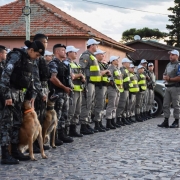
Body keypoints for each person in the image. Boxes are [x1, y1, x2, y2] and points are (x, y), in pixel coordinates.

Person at [0, 40, 45, 165]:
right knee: (6, 125)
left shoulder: (29, 60)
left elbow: (31, 78)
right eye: (36, 55)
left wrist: (33, 94)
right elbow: (5, 76)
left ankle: (15, 151)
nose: (37, 58)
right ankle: (4, 154)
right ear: (31, 50)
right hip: (9, 95)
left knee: (16, 124)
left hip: (20, 96)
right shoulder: (16, 56)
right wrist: (7, 95)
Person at [48, 44, 74, 143]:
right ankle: (54, 137)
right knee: (56, 116)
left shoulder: (64, 64)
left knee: (64, 115)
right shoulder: (53, 63)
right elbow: (53, 78)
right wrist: (64, 87)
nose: (65, 52)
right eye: (63, 50)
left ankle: (62, 134)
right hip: (57, 93)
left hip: (64, 92)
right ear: (57, 52)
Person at [79, 38, 102, 135]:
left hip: (93, 83)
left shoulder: (92, 56)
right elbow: (81, 68)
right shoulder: (86, 55)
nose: (97, 47)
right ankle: (83, 126)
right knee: (87, 104)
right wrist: (83, 80)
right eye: (96, 45)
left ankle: (87, 123)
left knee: (90, 104)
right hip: (88, 83)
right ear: (91, 45)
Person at [64, 46, 84, 137]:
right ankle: (66, 131)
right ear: (68, 53)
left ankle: (73, 130)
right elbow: (71, 76)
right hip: (72, 90)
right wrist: (80, 75)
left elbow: (80, 76)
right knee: (71, 111)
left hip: (79, 89)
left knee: (77, 111)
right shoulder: (66, 63)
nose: (76, 53)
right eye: (74, 52)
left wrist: (81, 77)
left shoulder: (75, 63)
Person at [158, 50, 180, 128]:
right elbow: (165, 73)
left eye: (173, 55)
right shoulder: (168, 64)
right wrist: (164, 77)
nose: (170, 56)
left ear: (177, 56)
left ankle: (176, 121)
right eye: (170, 55)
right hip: (168, 87)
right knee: (165, 104)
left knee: (175, 105)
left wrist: (169, 79)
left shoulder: (178, 65)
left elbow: (179, 77)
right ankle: (166, 121)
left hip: (175, 87)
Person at [93, 49, 112, 132]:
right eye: (101, 54)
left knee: (102, 105)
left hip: (104, 86)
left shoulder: (101, 64)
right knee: (99, 105)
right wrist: (106, 71)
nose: (103, 56)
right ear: (96, 55)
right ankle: (97, 123)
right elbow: (98, 73)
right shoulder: (96, 63)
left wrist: (107, 72)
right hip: (99, 86)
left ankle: (100, 122)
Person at [106, 56, 123, 129]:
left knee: (115, 106)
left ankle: (113, 121)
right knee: (111, 105)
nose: (117, 61)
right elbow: (110, 78)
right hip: (112, 88)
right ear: (112, 61)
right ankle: (108, 122)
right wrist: (112, 83)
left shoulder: (117, 69)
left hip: (117, 89)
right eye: (116, 60)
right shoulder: (111, 68)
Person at [116, 58, 133, 125]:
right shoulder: (122, 70)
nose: (129, 64)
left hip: (127, 89)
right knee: (121, 105)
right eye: (128, 63)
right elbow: (120, 80)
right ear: (124, 63)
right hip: (123, 90)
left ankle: (123, 118)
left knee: (126, 105)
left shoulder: (126, 70)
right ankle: (118, 119)